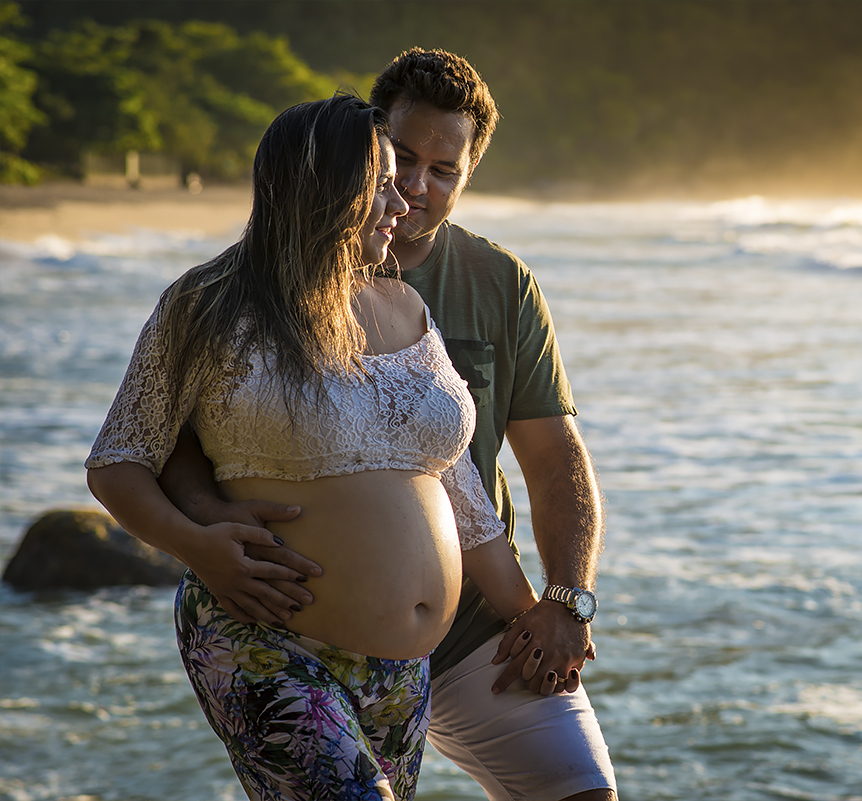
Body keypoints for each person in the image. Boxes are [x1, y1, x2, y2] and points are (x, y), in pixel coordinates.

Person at [160, 49, 618, 801]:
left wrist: (565, 601)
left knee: (584, 793)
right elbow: (162, 440)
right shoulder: (253, 288)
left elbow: (547, 457)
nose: (416, 186)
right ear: (370, 144)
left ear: (469, 175)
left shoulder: (494, 284)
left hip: (474, 632)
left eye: (445, 170)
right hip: (300, 619)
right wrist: (212, 527)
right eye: (402, 158)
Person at [85, 93, 541, 800]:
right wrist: (195, 543)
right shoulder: (207, 305)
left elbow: (459, 493)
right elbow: (120, 459)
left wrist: (534, 610)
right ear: (327, 189)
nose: (402, 203)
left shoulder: (407, 308)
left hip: (400, 671)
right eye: (383, 182)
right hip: (263, 640)